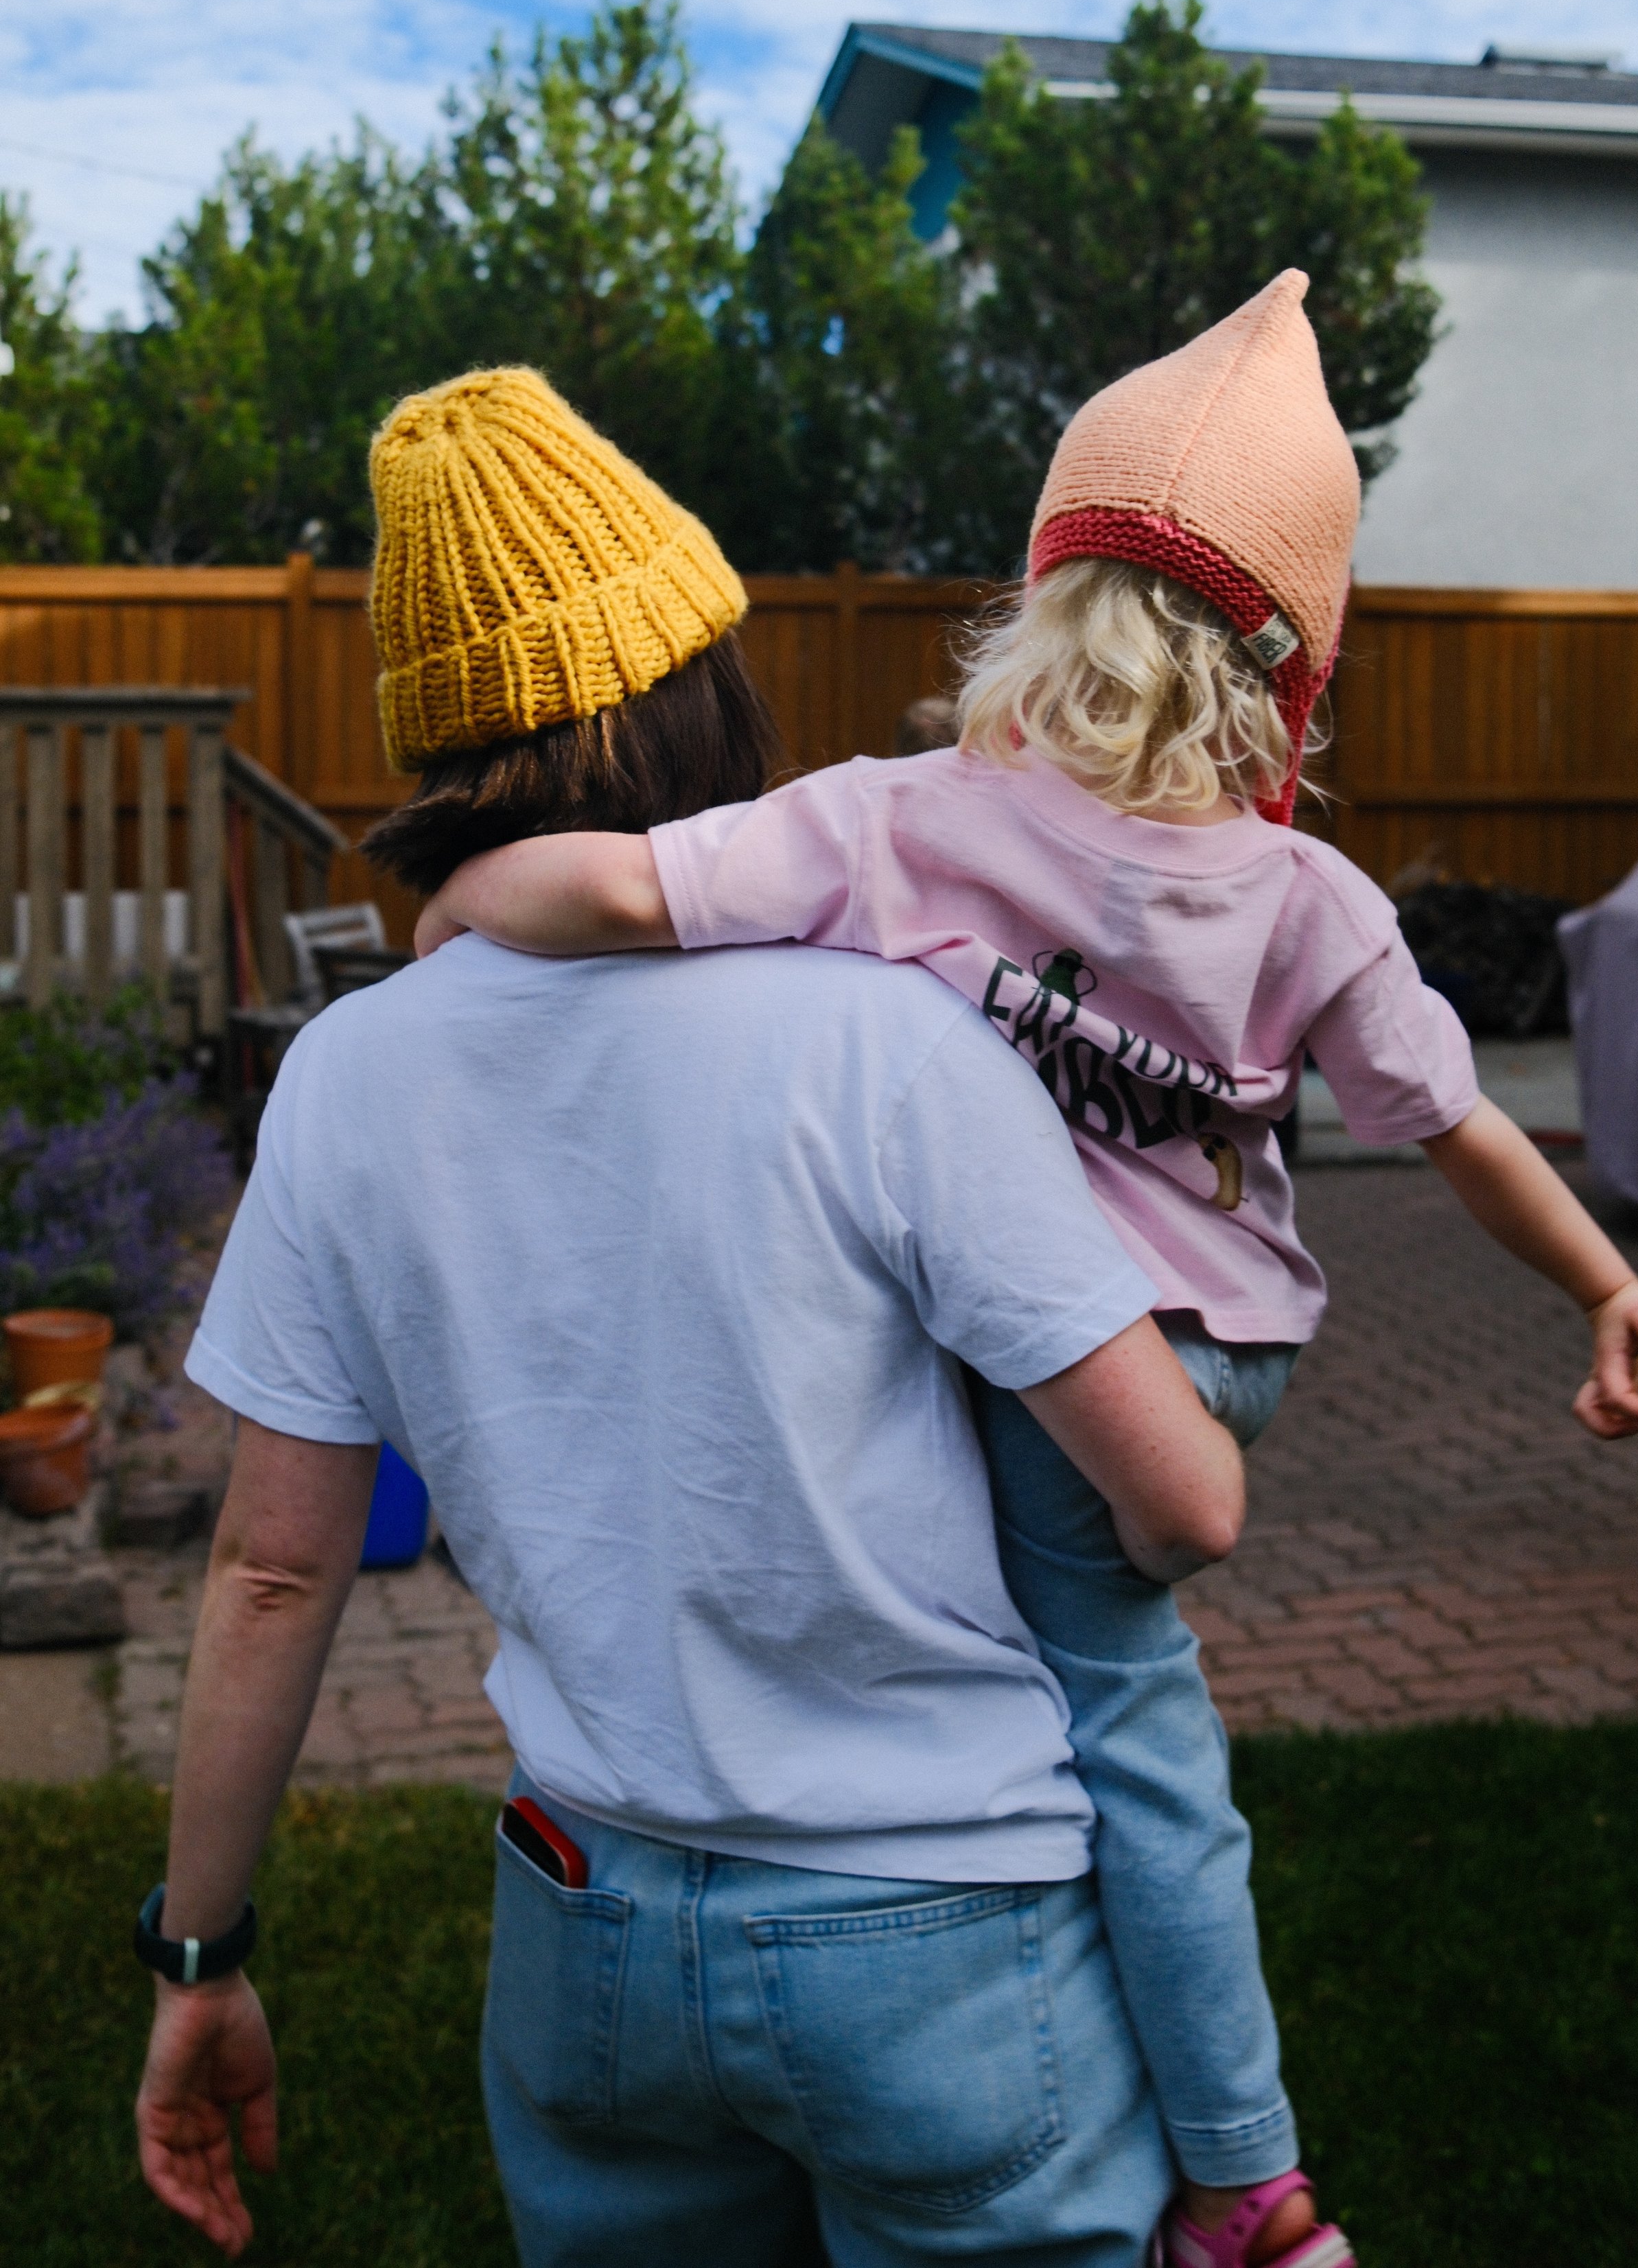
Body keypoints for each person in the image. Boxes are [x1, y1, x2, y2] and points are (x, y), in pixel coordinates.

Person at [420, 272, 1638, 2268]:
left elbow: (620, 885)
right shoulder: (1307, 896)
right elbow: (1458, 1127)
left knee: (1112, 1724)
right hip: (1221, 1354)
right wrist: (1598, 1288)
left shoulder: (899, 823)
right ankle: (1197, 2144)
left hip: (1073, 1376)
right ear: (1287, 683)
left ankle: (1238, 2184)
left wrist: (456, 914)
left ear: (1039, 602)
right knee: (1121, 1705)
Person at [133, 367, 1248, 2268]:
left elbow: (263, 1573)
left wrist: (199, 1958)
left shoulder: (346, 1077)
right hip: (947, 1930)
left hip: (588, 1932)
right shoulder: (892, 1038)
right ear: (701, 681)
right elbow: (1182, 1511)